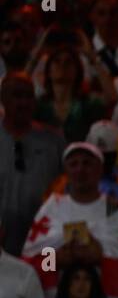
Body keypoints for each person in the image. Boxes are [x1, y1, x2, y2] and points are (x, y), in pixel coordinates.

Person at [22, 142, 118, 298]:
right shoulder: (53, 206)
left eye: (87, 163)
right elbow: (30, 264)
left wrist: (101, 256)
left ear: (100, 169)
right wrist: (56, 259)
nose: (80, 169)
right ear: (65, 170)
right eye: (73, 164)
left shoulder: (116, 209)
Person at [0, 71, 66, 255]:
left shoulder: (54, 141)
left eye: (29, 96)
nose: (24, 102)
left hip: (47, 243)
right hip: (2, 247)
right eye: (17, 95)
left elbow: (67, 190)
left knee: (48, 282)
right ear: (3, 99)